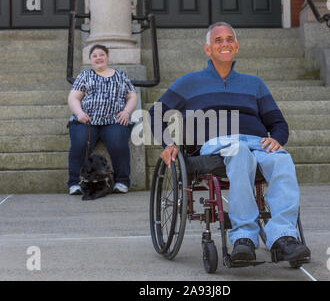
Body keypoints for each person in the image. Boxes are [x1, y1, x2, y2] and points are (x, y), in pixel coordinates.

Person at [149, 22, 311, 263]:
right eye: (218, 40)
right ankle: (243, 237)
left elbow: (278, 122)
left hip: (257, 143)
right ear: (208, 49)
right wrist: (168, 144)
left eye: (229, 40)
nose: (224, 44)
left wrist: (276, 139)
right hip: (216, 144)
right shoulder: (189, 82)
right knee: (240, 152)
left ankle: (284, 236)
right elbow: (155, 113)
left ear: (236, 47)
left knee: (281, 160)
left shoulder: (254, 84)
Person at [67, 44, 138, 195]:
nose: (98, 58)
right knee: (79, 143)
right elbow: (73, 97)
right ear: (90, 60)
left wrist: (126, 111)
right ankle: (75, 182)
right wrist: (79, 113)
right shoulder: (85, 76)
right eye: (94, 55)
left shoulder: (120, 76)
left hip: (114, 120)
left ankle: (122, 181)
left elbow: (132, 96)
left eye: (101, 54)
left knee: (118, 144)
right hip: (87, 120)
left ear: (107, 57)